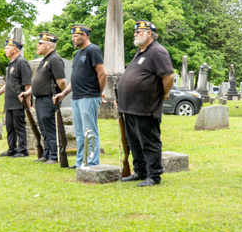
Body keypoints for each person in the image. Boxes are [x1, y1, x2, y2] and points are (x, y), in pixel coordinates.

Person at [117, 20, 175, 187]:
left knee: (148, 141)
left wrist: (163, 93)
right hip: (130, 106)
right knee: (133, 141)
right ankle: (141, 171)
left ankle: (154, 175)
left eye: (139, 31)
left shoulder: (157, 51)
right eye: (135, 32)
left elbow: (168, 76)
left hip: (146, 106)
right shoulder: (140, 52)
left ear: (149, 33)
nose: (135, 34)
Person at [54, 25, 106, 169]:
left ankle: (93, 162)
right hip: (76, 97)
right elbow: (74, 79)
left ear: (84, 35)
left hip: (89, 96)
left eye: (75, 36)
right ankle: (80, 162)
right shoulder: (78, 54)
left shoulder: (93, 50)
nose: (72, 39)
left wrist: (99, 92)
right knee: (79, 134)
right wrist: (63, 93)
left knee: (90, 131)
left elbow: (102, 73)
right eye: (72, 36)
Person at [19, 32, 66, 165]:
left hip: (49, 99)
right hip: (40, 100)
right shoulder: (45, 59)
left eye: (40, 43)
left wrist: (60, 95)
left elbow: (61, 81)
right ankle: (47, 153)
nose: (37, 45)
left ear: (49, 45)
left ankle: (55, 155)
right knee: (44, 128)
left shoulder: (55, 59)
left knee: (50, 127)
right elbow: (38, 82)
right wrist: (27, 93)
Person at [0, 39, 32, 158]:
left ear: (15, 49)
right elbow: (8, 83)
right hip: (9, 101)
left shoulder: (22, 62)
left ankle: (22, 150)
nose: (5, 50)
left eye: (7, 48)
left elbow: (28, 84)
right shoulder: (11, 63)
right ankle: (12, 149)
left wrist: (27, 100)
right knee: (10, 127)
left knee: (19, 126)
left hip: (19, 101)